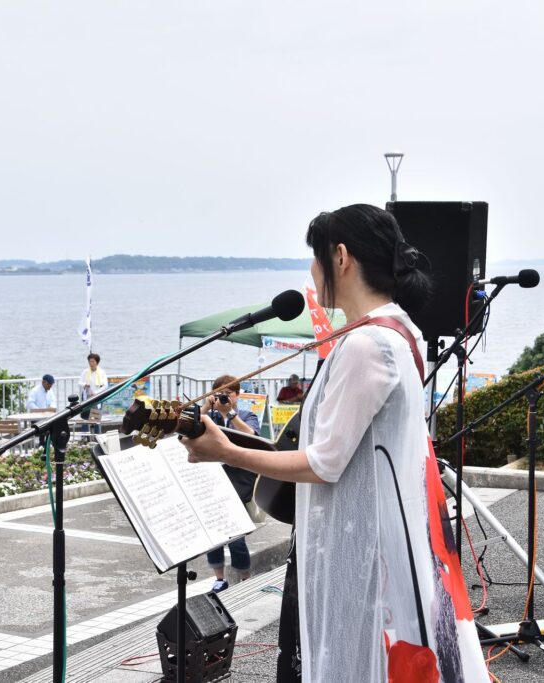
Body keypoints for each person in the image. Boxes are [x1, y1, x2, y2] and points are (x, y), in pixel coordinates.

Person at [182, 205, 489, 682]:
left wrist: (226, 451)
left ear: (340, 257)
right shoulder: (399, 330)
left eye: (315, 256)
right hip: (387, 541)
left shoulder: (369, 345)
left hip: (366, 554)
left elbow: (325, 463)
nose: (310, 271)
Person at [203, 374, 259, 592]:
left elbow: (252, 435)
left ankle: (245, 578)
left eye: (228, 394)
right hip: (213, 480)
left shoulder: (247, 415)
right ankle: (219, 578)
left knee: (236, 534)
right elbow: (190, 425)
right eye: (220, 394)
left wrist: (231, 414)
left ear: (238, 394)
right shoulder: (211, 417)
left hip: (239, 481)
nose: (224, 398)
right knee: (214, 534)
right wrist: (207, 407)